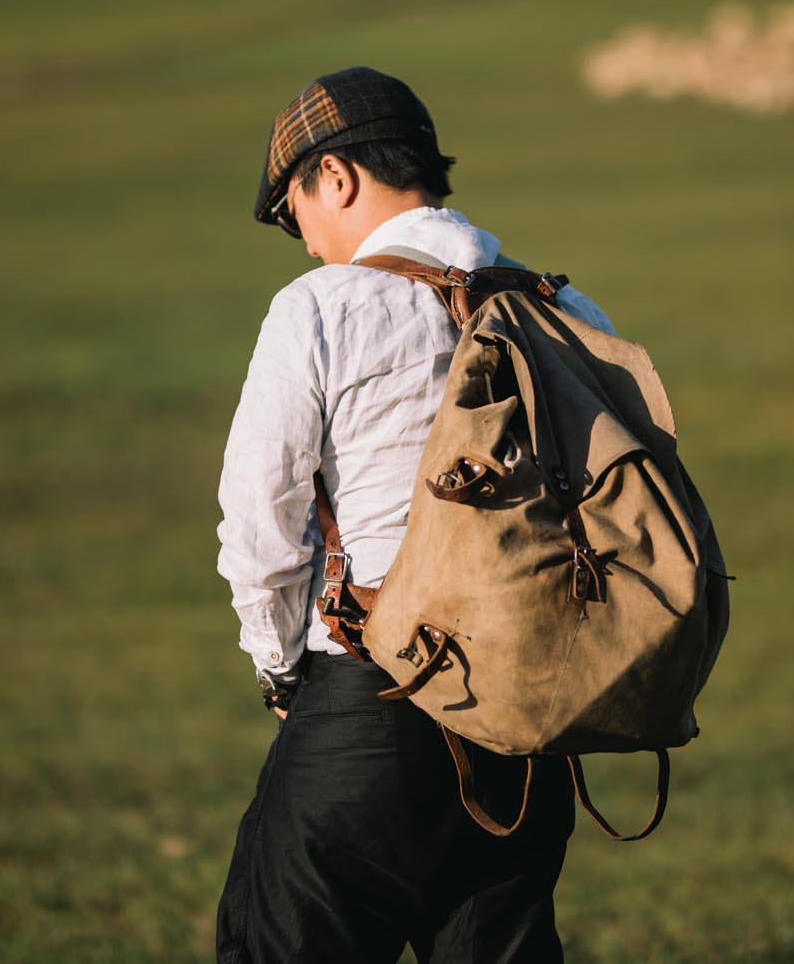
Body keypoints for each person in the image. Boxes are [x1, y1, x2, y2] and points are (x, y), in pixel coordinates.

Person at [213, 66, 615, 964]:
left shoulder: (318, 307)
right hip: (527, 717)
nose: (305, 240)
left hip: (368, 703)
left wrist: (280, 672)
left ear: (337, 178)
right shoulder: (563, 307)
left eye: (292, 212)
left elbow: (260, 525)